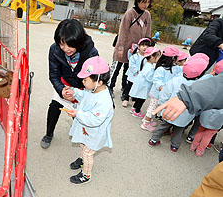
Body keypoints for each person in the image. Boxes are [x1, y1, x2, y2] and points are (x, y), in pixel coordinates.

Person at [40, 19, 99, 149]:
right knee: (55, 106)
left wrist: (79, 93)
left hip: (82, 87)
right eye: (62, 44)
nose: (66, 49)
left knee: (79, 115)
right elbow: (54, 75)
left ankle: (83, 138)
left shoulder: (91, 53)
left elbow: (94, 79)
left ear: (78, 41)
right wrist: (62, 90)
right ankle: (49, 133)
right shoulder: (54, 50)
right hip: (64, 84)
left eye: (70, 45)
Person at [64, 56, 113, 184]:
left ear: (99, 81)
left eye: (85, 80)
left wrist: (77, 114)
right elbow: (85, 96)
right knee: (82, 143)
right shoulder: (93, 89)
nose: (83, 82)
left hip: (95, 132)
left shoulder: (104, 101)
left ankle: (86, 175)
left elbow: (95, 120)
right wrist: (74, 92)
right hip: (86, 129)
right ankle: (82, 160)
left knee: (87, 153)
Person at [148, 56, 208, 153]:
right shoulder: (199, 86)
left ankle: (153, 140)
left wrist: (162, 105)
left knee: (163, 126)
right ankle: (174, 146)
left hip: (169, 111)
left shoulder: (174, 81)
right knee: (178, 131)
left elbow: (164, 95)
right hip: (185, 115)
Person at [109, 0, 152, 99]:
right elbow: (123, 31)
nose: (145, 5)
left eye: (148, 2)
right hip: (124, 46)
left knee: (129, 69)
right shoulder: (130, 13)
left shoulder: (147, 15)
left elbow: (148, 32)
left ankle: (125, 88)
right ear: (138, 1)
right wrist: (120, 47)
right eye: (143, 2)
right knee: (116, 68)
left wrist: (147, 47)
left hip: (137, 49)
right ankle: (110, 87)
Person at [129, 47, 161, 121]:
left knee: (138, 97)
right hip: (144, 86)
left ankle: (134, 108)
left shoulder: (147, 64)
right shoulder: (149, 67)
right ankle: (137, 111)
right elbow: (149, 78)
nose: (159, 58)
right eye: (158, 56)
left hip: (142, 84)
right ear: (152, 57)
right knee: (141, 99)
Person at [122, 37, 151, 107]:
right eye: (143, 45)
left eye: (147, 46)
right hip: (133, 75)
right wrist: (136, 71)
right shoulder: (134, 56)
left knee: (136, 87)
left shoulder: (147, 58)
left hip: (141, 76)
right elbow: (131, 65)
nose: (145, 48)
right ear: (138, 46)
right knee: (129, 86)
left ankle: (134, 99)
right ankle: (126, 99)